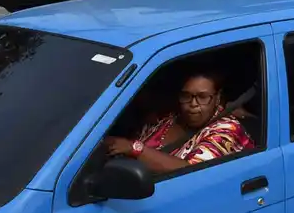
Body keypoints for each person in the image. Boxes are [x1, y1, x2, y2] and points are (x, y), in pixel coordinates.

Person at [103, 72, 253, 175]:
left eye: (202, 97)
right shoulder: (168, 118)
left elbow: (193, 172)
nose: (193, 104)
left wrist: (134, 148)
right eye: (186, 96)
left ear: (217, 98)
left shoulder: (227, 130)